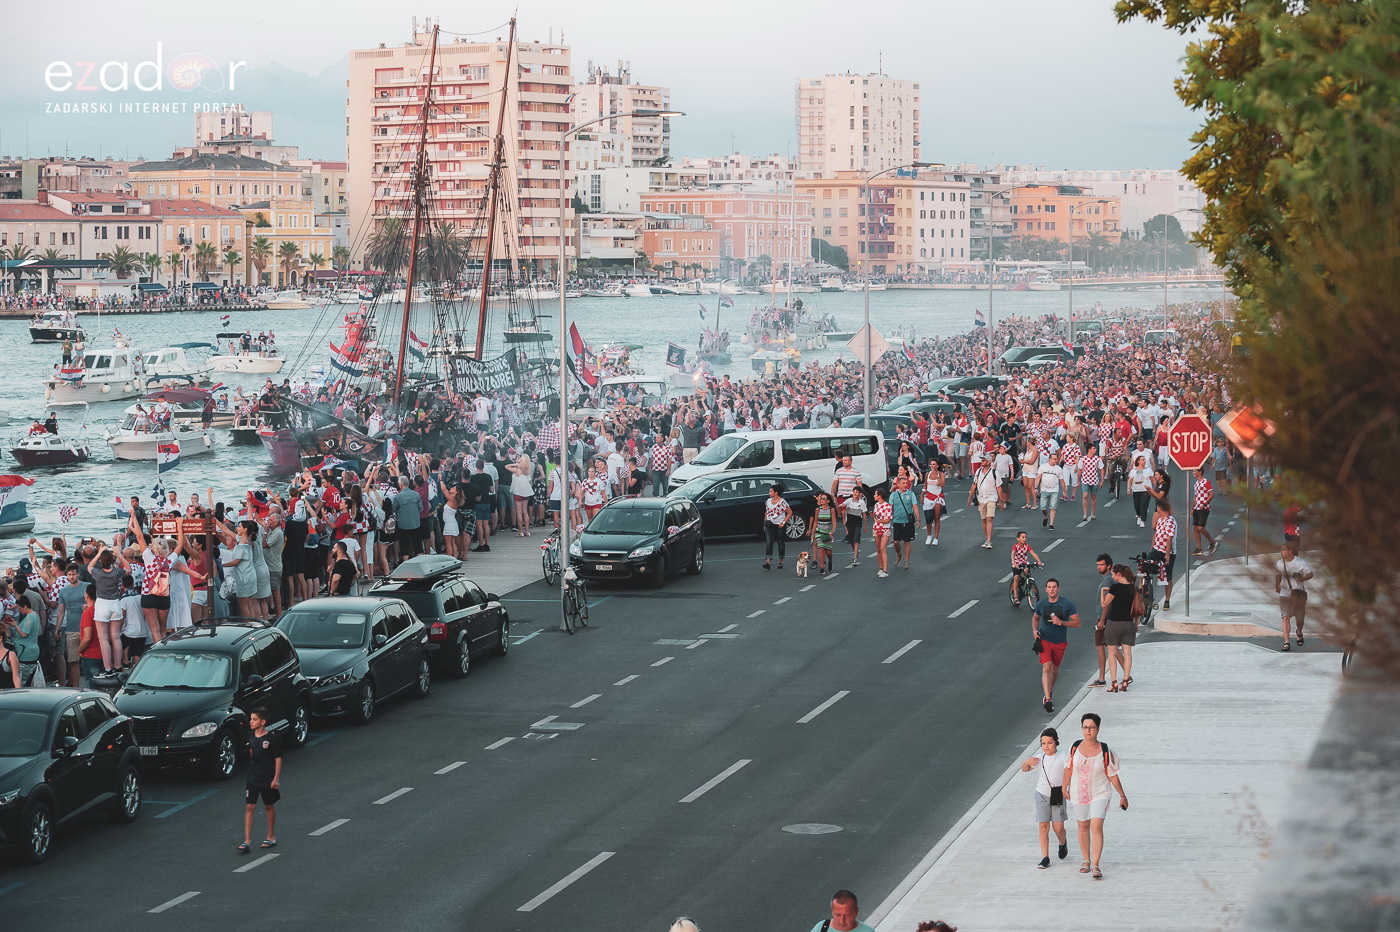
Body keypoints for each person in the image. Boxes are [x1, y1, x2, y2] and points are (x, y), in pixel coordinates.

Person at [1063, 712, 1128, 881]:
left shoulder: (1105, 751)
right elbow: (1068, 768)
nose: (1088, 731)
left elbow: (1112, 774)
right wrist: (1064, 787)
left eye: (1092, 727)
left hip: (1100, 792)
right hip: (1078, 793)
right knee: (1083, 826)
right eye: (1085, 727)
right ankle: (1086, 860)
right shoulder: (1075, 748)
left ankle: (1096, 864)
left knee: (1096, 826)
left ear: (1098, 729)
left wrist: (1122, 795)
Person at [1021, 726, 1069, 869]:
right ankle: (1045, 857)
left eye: (1049, 743)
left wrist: (1067, 788)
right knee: (1043, 826)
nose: (1046, 746)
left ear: (1056, 742)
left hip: (1058, 794)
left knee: (1058, 828)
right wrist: (1026, 762)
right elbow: (1025, 769)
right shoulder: (1040, 757)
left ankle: (1062, 843)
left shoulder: (1063, 756)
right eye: (1043, 743)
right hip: (1042, 794)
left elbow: (1070, 772)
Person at [1032, 579, 1080, 713]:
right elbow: (1035, 618)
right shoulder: (1041, 604)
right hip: (1044, 639)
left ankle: (1050, 691)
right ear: (1046, 589)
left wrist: (1062, 622)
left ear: (1058, 589)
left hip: (1060, 641)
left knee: (1054, 670)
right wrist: (1035, 631)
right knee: (1047, 667)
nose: (1051, 589)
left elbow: (1077, 623)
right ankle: (1047, 699)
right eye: (1049, 587)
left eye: (1054, 587)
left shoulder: (1067, 604)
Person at [239, 707, 282, 854]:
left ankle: (270, 837)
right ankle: (247, 841)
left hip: (267, 778)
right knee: (250, 807)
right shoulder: (249, 736)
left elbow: (278, 759)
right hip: (252, 777)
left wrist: (276, 778)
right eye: (251, 719)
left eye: (254, 719)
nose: (251, 722)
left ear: (263, 722)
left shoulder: (271, 738)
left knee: (268, 805)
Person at [1099, 564, 1139, 691]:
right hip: (1128, 623)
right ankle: (1125, 681)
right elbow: (1137, 609)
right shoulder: (1133, 588)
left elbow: (1104, 604)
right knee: (1128, 654)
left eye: (1113, 574)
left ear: (1118, 574)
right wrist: (1136, 624)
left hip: (1114, 623)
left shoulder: (1115, 588)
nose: (1112, 576)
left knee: (1112, 653)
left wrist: (1102, 592)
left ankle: (1114, 683)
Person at [1275, 542, 1314, 651]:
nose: (1281, 552)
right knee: (1285, 617)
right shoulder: (1279, 563)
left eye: (1284, 550)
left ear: (1290, 551)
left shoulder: (1300, 562)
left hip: (1298, 593)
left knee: (1299, 618)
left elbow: (1310, 574)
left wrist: (1302, 578)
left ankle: (1299, 631)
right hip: (1284, 593)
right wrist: (1277, 586)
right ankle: (1286, 642)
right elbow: (1278, 575)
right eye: (1281, 550)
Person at [1088, 553, 1113, 688]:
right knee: (1111, 647)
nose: (1099, 567)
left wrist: (1102, 620)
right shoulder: (1107, 578)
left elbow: (1106, 603)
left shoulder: (1107, 581)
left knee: (1101, 647)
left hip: (1104, 617)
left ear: (1108, 566)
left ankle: (1102, 678)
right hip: (1106, 617)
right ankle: (1126, 675)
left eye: (1102, 565)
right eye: (1098, 565)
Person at [968, 456, 1000, 549]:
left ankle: (989, 540)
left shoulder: (994, 472)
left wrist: (1001, 500)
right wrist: (969, 498)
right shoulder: (978, 472)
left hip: (992, 497)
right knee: (983, 519)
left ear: (989, 462)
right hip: (981, 498)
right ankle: (987, 539)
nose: (982, 462)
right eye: (982, 460)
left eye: (984, 460)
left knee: (989, 518)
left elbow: (999, 487)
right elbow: (974, 485)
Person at [807, 889, 876, 932]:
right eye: (838, 915)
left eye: (847, 915)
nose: (842, 921)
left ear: (856, 911)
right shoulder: (821, 927)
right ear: (832, 912)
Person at [888, 474, 918, 570]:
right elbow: (889, 507)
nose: (905, 485)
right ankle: (898, 554)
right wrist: (887, 518)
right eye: (903, 483)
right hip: (897, 521)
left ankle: (906, 561)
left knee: (907, 541)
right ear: (898, 485)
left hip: (908, 522)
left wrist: (918, 519)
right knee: (896, 542)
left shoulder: (911, 494)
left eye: (906, 483)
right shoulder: (893, 495)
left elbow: (915, 506)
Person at [762, 484, 791, 570]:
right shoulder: (768, 501)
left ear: (776, 492)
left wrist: (783, 522)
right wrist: (765, 522)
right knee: (769, 542)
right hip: (769, 524)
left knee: (780, 543)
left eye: (771, 491)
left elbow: (790, 512)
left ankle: (780, 561)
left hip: (779, 525)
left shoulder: (782, 502)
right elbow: (767, 512)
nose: (769, 493)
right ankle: (768, 561)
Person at [1009, 531, 1043, 606]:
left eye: (1025, 537)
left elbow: (1033, 553)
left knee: (1027, 571)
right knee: (1016, 578)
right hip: (1016, 563)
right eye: (1022, 537)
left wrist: (1039, 561)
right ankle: (1015, 596)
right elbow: (1013, 554)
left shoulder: (1027, 546)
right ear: (1018, 539)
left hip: (1024, 563)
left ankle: (1027, 583)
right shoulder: (1015, 546)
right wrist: (1014, 562)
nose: (1024, 539)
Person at [1190, 466, 1218, 555]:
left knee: (1200, 528)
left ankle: (1212, 542)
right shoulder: (1196, 484)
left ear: (1200, 472)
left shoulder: (1206, 482)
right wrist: (1192, 508)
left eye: (1195, 471)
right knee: (1195, 527)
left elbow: (1211, 494)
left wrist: (1205, 503)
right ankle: (1199, 548)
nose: (1193, 473)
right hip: (1197, 507)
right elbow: (1196, 497)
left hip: (1204, 508)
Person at [811, 492, 838, 576]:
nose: (822, 500)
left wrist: (833, 531)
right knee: (821, 549)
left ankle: (830, 561)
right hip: (819, 532)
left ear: (828, 501)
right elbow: (815, 522)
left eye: (824, 499)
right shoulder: (818, 510)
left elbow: (834, 522)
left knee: (828, 552)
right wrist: (813, 533)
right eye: (821, 499)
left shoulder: (831, 510)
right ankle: (822, 568)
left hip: (828, 533)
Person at [921, 459, 946, 546]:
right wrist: (922, 494)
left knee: (937, 517)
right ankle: (929, 535)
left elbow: (942, 484)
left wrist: (937, 478)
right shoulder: (927, 474)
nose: (932, 466)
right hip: (929, 497)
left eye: (934, 464)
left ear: (937, 466)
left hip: (937, 497)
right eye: (931, 464)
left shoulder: (941, 474)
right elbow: (925, 485)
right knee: (928, 518)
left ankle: (936, 537)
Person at [842, 485, 867, 567]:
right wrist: (840, 506)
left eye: (857, 492)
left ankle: (855, 557)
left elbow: (864, 514)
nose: (855, 494)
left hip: (858, 522)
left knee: (856, 538)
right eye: (854, 492)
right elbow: (843, 504)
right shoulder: (849, 500)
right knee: (851, 539)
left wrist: (865, 526)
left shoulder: (862, 502)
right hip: (850, 522)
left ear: (860, 494)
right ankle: (856, 551)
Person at [1037, 451, 1064, 530]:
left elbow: (1062, 481)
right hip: (1044, 489)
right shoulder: (1043, 467)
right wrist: (1035, 487)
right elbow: (1038, 477)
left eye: (1056, 459)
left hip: (1054, 490)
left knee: (1053, 507)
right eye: (1054, 459)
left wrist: (1064, 492)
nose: (1056, 460)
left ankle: (1051, 524)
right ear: (1050, 459)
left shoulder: (1058, 469)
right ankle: (1046, 516)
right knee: (1043, 507)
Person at [870, 488, 893, 578]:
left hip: (885, 529)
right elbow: (876, 516)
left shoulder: (888, 506)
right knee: (878, 549)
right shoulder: (876, 505)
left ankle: (885, 570)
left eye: (875, 494)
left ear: (880, 496)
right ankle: (880, 567)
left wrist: (878, 520)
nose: (874, 496)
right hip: (876, 528)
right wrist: (873, 516)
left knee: (883, 548)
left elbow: (887, 520)